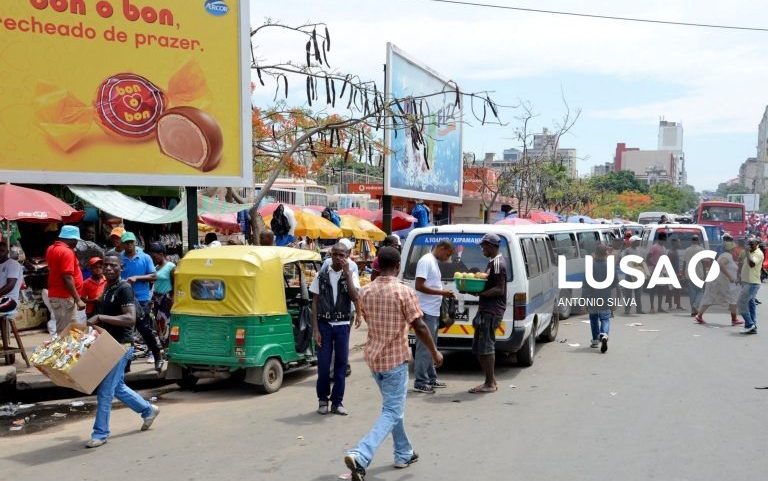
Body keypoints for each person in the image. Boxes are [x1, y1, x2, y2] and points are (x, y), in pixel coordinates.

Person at [344, 247, 443, 481]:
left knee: (393, 408)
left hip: (374, 359)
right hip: (395, 360)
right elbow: (419, 326)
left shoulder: (365, 292)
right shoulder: (403, 292)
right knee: (392, 411)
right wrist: (434, 351)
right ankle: (361, 454)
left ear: (377, 265)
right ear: (397, 266)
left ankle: (403, 453)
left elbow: (369, 319)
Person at [85, 254, 159, 448]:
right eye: (105, 265)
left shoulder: (124, 288)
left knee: (105, 391)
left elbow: (130, 318)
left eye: (113, 266)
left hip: (121, 346)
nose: (108, 268)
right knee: (116, 387)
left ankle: (100, 433)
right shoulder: (107, 286)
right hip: (107, 344)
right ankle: (147, 410)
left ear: (121, 268)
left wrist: (101, 317)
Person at [311, 242, 361, 416]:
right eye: (336, 255)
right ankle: (323, 400)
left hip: (342, 326)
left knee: (341, 366)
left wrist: (347, 274)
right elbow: (315, 302)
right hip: (324, 325)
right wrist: (315, 329)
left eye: (342, 255)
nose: (339, 258)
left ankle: (337, 402)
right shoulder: (321, 275)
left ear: (347, 256)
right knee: (323, 366)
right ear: (331, 255)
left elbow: (355, 297)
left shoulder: (351, 274)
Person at [412, 240, 454, 393]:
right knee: (424, 347)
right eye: (447, 254)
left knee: (431, 347)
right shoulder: (426, 261)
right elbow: (419, 286)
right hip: (425, 310)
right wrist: (442, 293)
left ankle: (431, 377)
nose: (447, 258)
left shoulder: (433, 261)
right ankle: (420, 381)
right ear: (441, 248)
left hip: (433, 311)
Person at [469, 233, 507, 394]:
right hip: (486, 309)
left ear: (492, 246)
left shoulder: (498, 263)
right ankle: (490, 381)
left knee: (486, 347)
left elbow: (500, 289)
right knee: (478, 347)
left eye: (484, 246)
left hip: (492, 310)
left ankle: (489, 384)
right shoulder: (492, 263)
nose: (482, 249)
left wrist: (480, 294)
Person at [120, 232, 162, 371]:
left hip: (142, 299)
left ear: (135, 243)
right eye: (126, 243)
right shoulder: (120, 258)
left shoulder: (145, 257)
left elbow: (154, 276)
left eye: (131, 242)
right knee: (127, 333)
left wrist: (137, 278)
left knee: (144, 330)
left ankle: (157, 356)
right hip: (125, 299)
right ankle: (126, 364)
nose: (129, 245)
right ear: (123, 244)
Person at [46, 225, 86, 334]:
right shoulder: (66, 252)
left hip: (57, 295)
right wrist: (78, 299)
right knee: (66, 332)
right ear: (72, 239)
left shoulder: (51, 248)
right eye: (76, 240)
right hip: (64, 297)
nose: (76, 243)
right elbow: (67, 277)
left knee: (66, 330)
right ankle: (62, 351)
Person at [695, 235, 741, 325]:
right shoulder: (727, 256)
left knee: (711, 298)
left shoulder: (727, 256)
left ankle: (699, 315)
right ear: (732, 249)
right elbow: (721, 264)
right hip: (720, 282)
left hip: (720, 282)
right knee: (732, 299)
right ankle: (734, 319)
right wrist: (730, 277)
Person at [583, 244, 614, 353]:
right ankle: (604, 334)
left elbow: (585, 285)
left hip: (592, 298)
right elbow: (614, 285)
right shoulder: (609, 266)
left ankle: (595, 340)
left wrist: (584, 300)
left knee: (594, 319)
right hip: (606, 297)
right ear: (606, 253)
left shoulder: (590, 266)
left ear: (595, 253)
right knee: (605, 318)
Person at [148, 243, 175, 346]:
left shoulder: (171, 266)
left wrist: (172, 298)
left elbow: (175, 283)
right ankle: (163, 344)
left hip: (166, 298)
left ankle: (169, 345)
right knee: (159, 323)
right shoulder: (156, 267)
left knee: (167, 322)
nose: (154, 259)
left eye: (155, 256)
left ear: (162, 254)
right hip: (157, 298)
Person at [738, 237, 763, 334]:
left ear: (757, 244)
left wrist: (747, 252)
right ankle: (753, 326)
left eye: (752, 244)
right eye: (748, 244)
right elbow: (741, 263)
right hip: (746, 281)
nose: (750, 246)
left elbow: (752, 264)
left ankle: (749, 324)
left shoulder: (758, 253)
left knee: (741, 303)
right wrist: (739, 276)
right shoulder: (749, 252)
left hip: (752, 283)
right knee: (750, 304)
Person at [682, 235, 705, 317]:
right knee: (700, 291)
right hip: (699, 273)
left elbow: (684, 263)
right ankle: (696, 305)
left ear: (691, 241)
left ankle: (693, 311)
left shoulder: (687, 250)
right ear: (698, 241)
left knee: (692, 293)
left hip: (689, 274)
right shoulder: (701, 250)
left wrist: (683, 273)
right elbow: (704, 263)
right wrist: (705, 274)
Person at [622, 236, 645, 314]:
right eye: (637, 241)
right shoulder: (627, 251)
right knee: (628, 293)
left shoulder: (640, 251)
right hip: (629, 274)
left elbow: (642, 262)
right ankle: (627, 309)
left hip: (638, 274)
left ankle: (639, 309)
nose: (639, 242)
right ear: (633, 242)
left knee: (638, 293)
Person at [646, 233, 668, 314]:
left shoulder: (664, 248)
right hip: (654, 271)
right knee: (653, 290)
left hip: (662, 271)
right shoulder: (654, 247)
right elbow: (647, 258)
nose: (664, 241)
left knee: (661, 290)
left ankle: (659, 307)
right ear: (660, 239)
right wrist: (653, 264)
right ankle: (652, 307)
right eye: (663, 239)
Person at [0, 242, 24, 314]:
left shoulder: (12, 264)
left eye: (2, 251)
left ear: (7, 252)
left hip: (9, 300)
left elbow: (10, 285)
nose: (0, 253)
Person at [665, 238, 684, 311]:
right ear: (674, 244)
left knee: (677, 289)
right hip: (672, 273)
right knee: (671, 290)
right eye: (678, 243)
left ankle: (678, 304)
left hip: (676, 273)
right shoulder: (671, 253)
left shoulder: (675, 252)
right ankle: (670, 305)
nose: (680, 244)